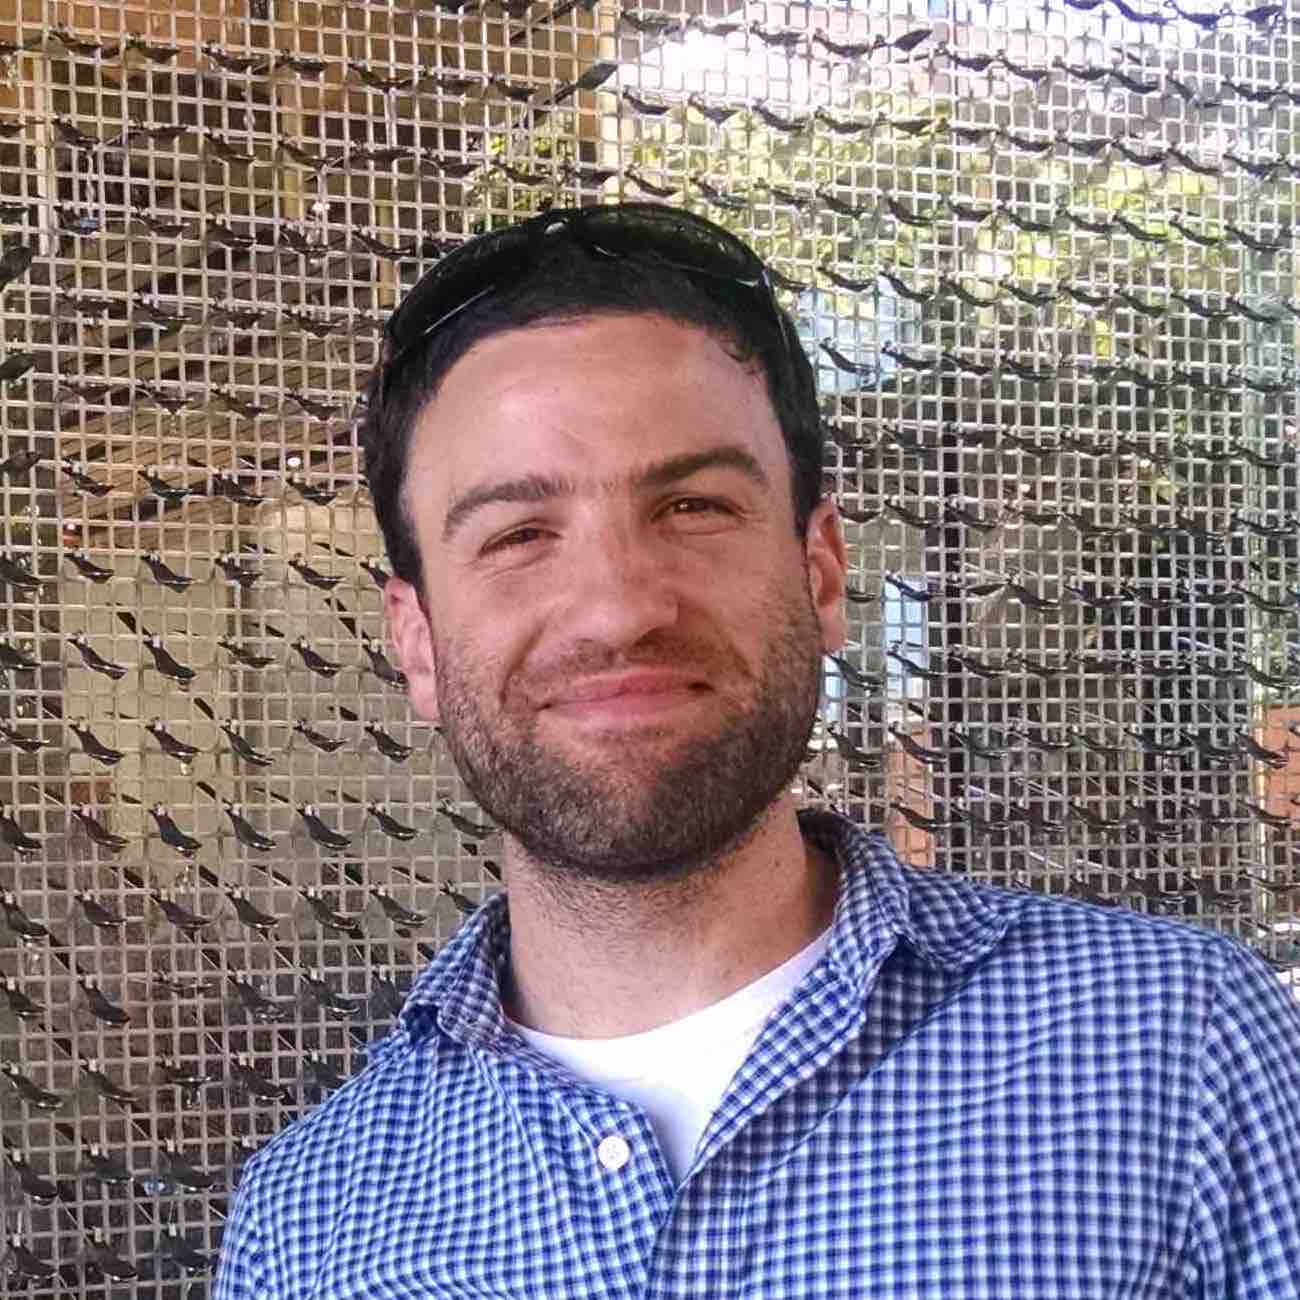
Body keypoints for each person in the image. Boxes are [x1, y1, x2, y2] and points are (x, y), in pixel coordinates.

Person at [213, 203, 1300, 1299]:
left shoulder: (1184, 1051)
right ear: (417, 642)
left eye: (691, 504)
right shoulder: (305, 1227)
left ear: (821, 574)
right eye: (517, 535)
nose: (617, 611)